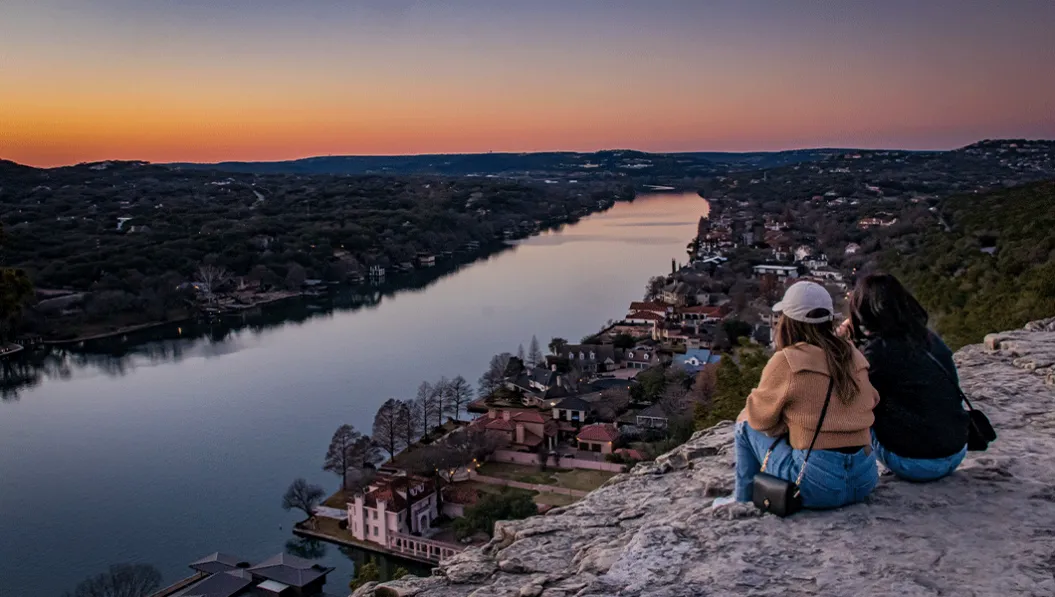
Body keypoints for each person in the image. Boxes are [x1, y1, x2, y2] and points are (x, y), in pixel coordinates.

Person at [715, 281, 880, 509]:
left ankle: (743, 499)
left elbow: (759, 419)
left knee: (744, 424)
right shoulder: (852, 354)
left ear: (789, 321)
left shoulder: (787, 361)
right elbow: (873, 399)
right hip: (863, 480)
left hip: (818, 487)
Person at [843, 273, 968, 482]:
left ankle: (846, 475)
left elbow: (847, 398)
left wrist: (843, 344)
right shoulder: (928, 339)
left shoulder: (878, 352)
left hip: (916, 464)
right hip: (955, 452)